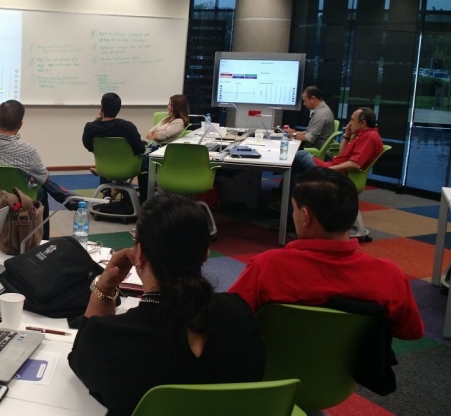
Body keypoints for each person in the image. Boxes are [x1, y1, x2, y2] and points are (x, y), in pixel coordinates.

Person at [68, 194, 265, 416]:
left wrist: (104, 288)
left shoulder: (110, 339)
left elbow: (80, 359)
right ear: (205, 255)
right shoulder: (241, 318)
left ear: (140, 255)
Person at [229, 168, 424, 340]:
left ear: (305, 216)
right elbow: (411, 332)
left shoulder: (267, 266)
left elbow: (228, 320)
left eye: (294, 209)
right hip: (352, 370)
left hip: (273, 366)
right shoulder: (389, 275)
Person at [0, 99, 78, 239]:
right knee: (41, 190)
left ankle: (65, 197)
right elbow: (45, 178)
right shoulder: (27, 151)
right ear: (20, 124)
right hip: (16, 206)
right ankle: (41, 241)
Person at [81, 93, 146, 200]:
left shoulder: (90, 128)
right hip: (128, 168)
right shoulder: (127, 126)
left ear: (102, 108)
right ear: (118, 109)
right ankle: (144, 199)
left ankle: (107, 193)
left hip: (104, 168)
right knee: (147, 162)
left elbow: (88, 146)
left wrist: (97, 120)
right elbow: (140, 149)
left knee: (107, 156)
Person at [292, 107, 383, 174]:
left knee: (301, 154)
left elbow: (355, 164)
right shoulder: (360, 134)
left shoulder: (369, 137)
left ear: (363, 123)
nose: (349, 123)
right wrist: (347, 136)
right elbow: (341, 154)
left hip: (335, 172)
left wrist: (330, 169)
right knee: (298, 173)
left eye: (352, 120)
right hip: (332, 166)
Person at [285, 86, 336, 150]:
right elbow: (309, 132)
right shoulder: (322, 110)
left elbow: (309, 138)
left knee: (291, 151)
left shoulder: (321, 114)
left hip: (315, 150)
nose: (304, 104)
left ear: (313, 98)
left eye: (305, 101)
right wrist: (294, 132)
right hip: (315, 148)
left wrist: (293, 135)